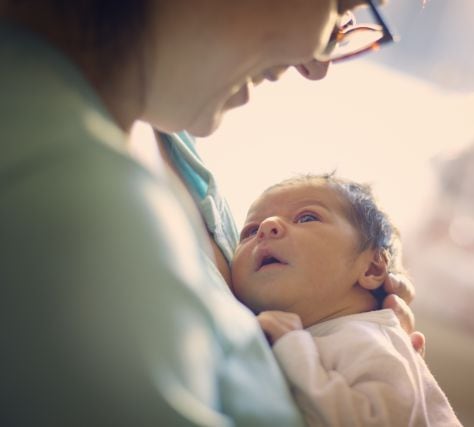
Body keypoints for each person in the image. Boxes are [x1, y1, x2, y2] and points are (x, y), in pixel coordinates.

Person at [0, 1, 423, 426]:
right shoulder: (65, 190)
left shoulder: (174, 143)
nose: (317, 66)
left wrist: (351, 341)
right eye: (339, 8)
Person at [231, 173, 461, 426]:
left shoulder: (366, 336)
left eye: (307, 217)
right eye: (250, 232)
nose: (267, 227)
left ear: (372, 268)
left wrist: (291, 346)